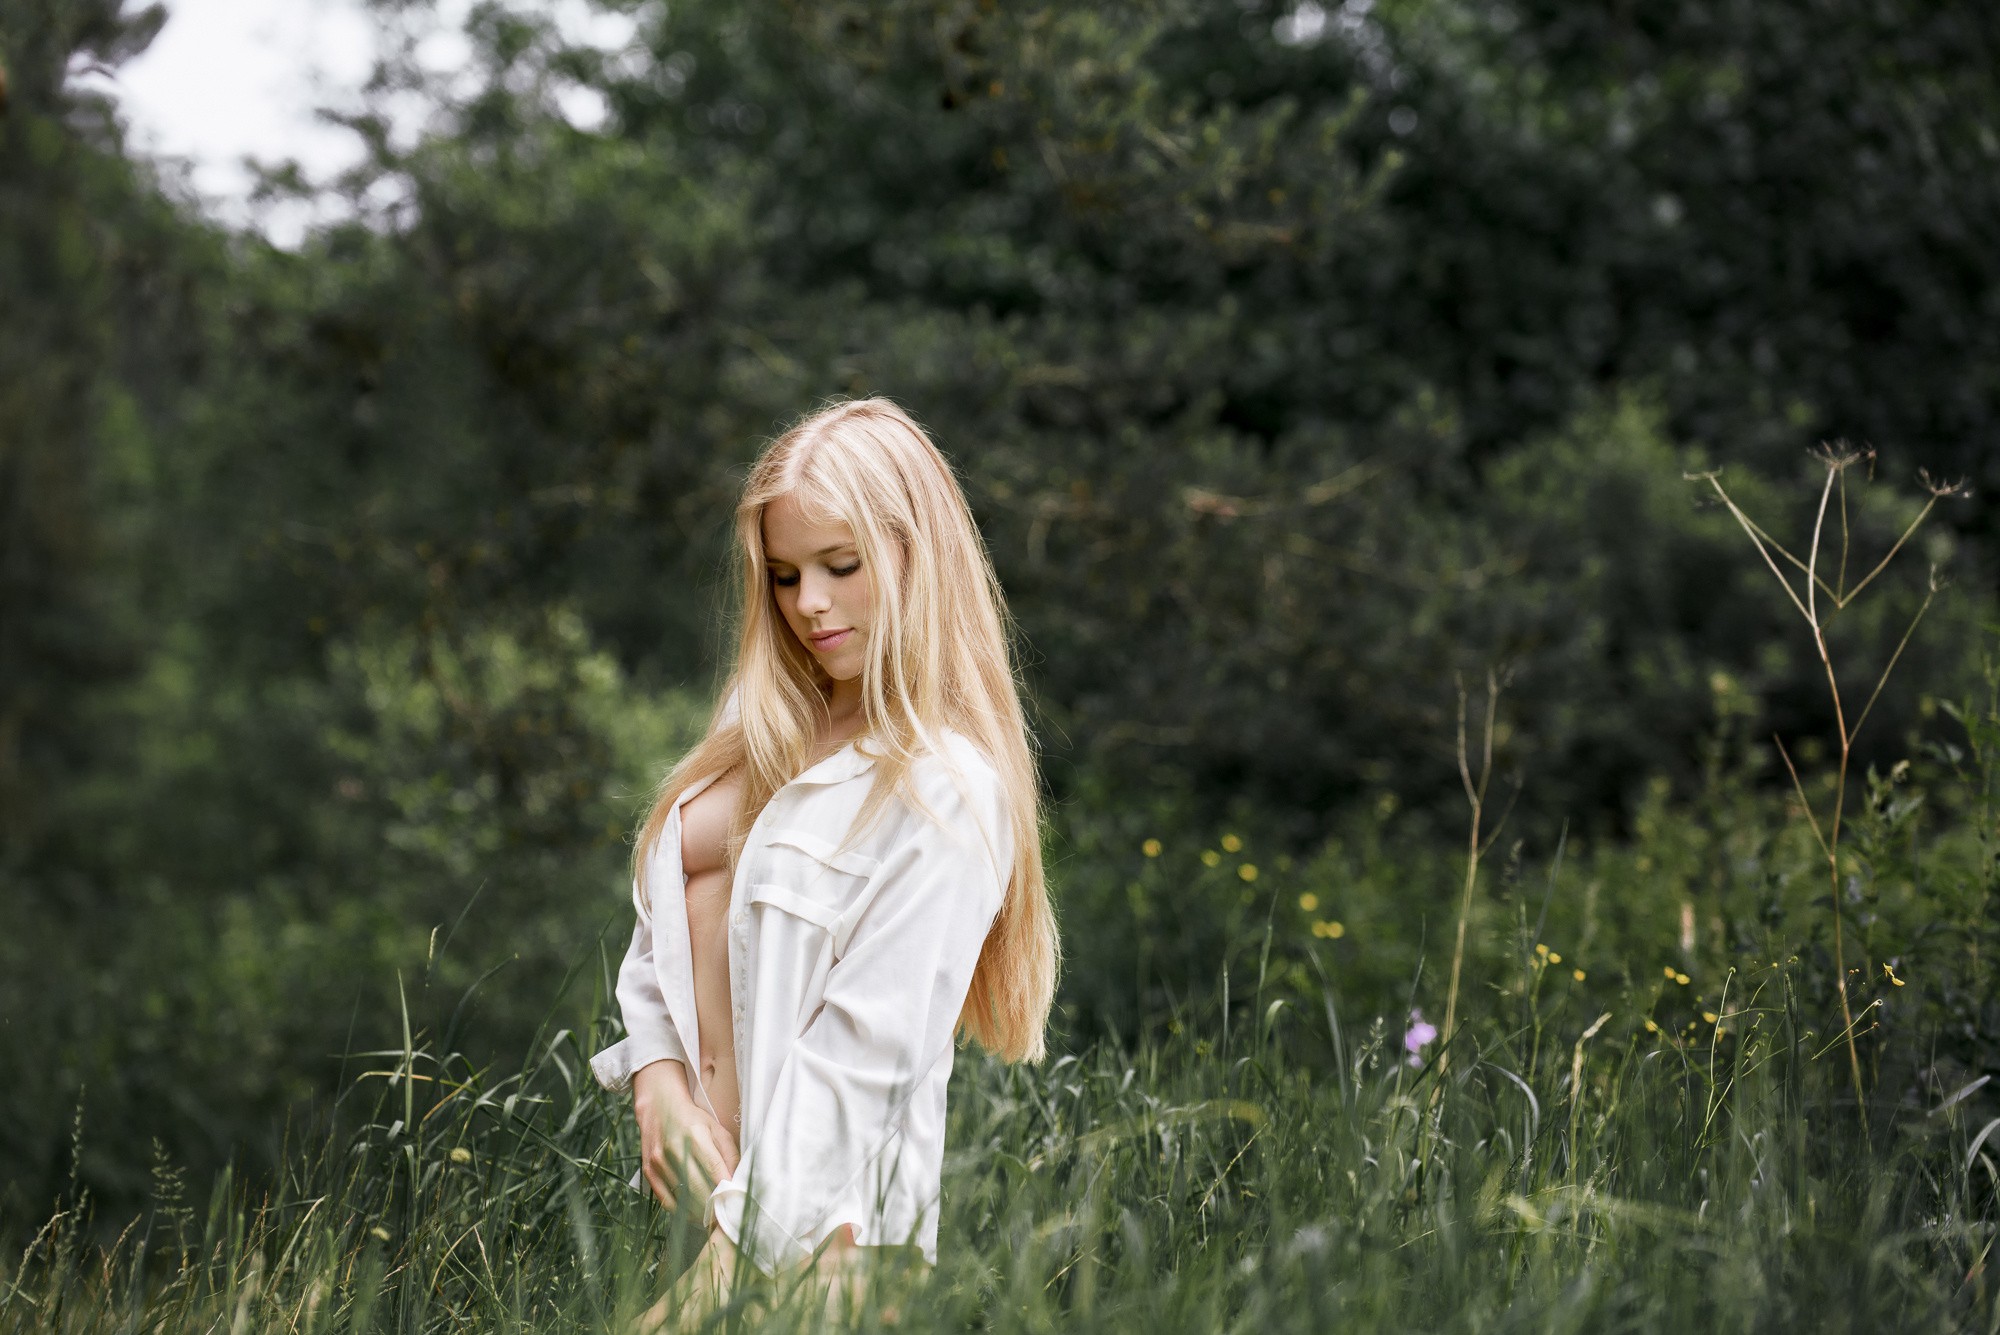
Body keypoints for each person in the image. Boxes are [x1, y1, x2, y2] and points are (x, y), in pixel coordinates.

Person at [588, 397, 1059, 1319]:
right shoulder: (760, 720)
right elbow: (664, 925)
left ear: (919, 555)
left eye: (841, 566)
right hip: (689, 1225)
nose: (809, 603)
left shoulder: (945, 787)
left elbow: (865, 1056)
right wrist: (657, 1082)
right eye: (784, 574)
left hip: (820, 1260)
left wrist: (726, 1270)